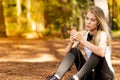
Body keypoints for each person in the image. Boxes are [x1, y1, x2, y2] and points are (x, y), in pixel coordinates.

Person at [48, 6, 114, 80]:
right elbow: (68, 52)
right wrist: (71, 42)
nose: (88, 22)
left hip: (104, 75)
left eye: (92, 20)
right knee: (75, 50)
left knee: (96, 52)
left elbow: (101, 52)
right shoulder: (83, 34)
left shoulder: (102, 34)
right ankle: (56, 77)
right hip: (90, 74)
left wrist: (82, 40)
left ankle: (75, 78)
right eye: (87, 18)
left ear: (98, 22)